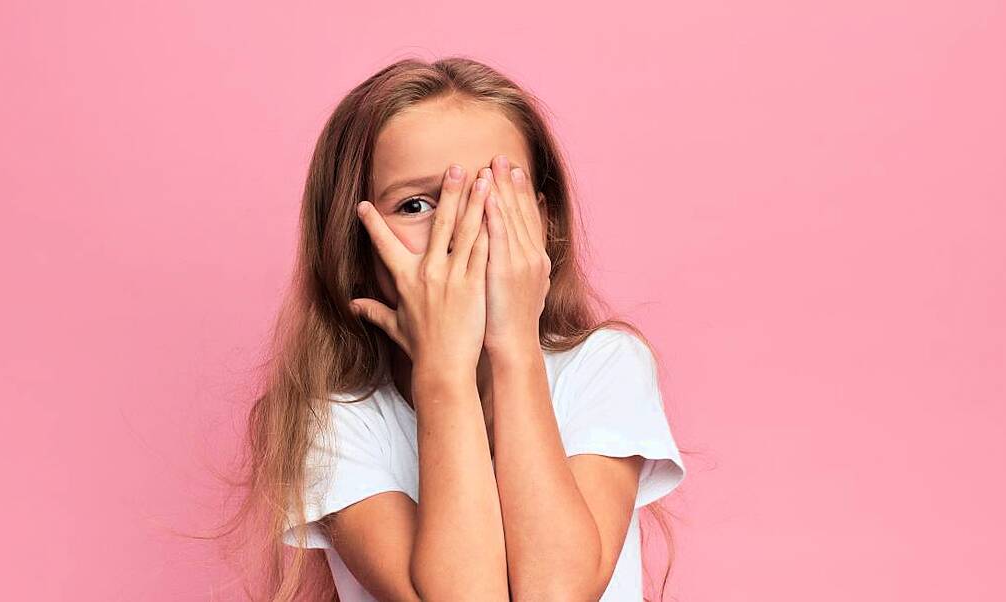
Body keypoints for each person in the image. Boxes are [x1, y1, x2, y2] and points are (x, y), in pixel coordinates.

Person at [222, 57, 686, 602]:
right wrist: (445, 369)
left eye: (491, 195)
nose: (459, 230)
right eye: (416, 205)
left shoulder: (607, 365)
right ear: (354, 246)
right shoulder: (334, 420)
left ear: (544, 222)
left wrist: (512, 345)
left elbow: (558, 593)